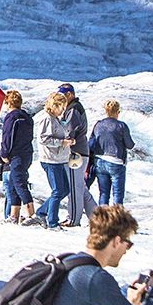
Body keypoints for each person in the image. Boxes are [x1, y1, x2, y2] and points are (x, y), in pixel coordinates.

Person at [47, 205, 153, 305]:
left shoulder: (71, 261)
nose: (126, 250)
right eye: (128, 244)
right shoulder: (94, 277)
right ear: (117, 241)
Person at [37, 91, 76, 228]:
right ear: (55, 105)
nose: (63, 110)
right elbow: (43, 139)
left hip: (59, 159)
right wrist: (61, 142)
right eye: (61, 107)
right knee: (58, 190)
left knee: (65, 189)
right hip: (50, 159)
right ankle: (52, 222)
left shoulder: (55, 118)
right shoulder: (46, 118)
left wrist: (67, 141)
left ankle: (41, 211)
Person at [0, 90, 37, 225]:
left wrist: (4, 154)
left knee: (19, 183)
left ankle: (31, 214)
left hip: (16, 155)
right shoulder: (27, 117)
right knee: (16, 182)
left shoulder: (11, 117)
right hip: (27, 154)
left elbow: (7, 137)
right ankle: (14, 216)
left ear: (8, 102)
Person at [59, 84, 97, 224]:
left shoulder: (73, 109)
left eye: (62, 95)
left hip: (75, 152)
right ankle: (97, 218)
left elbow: (70, 129)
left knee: (74, 187)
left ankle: (73, 219)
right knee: (81, 187)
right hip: (80, 151)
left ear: (69, 94)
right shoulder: (73, 108)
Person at [91, 99, 135, 206]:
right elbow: (130, 145)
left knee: (103, 194)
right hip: (115, 162)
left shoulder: (98, 125)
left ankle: (102, 220)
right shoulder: (121, 126)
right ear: (117, 112)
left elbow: (91, 142)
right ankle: (117, 221)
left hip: (99, 161)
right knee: (117, 195)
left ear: (106, 111)